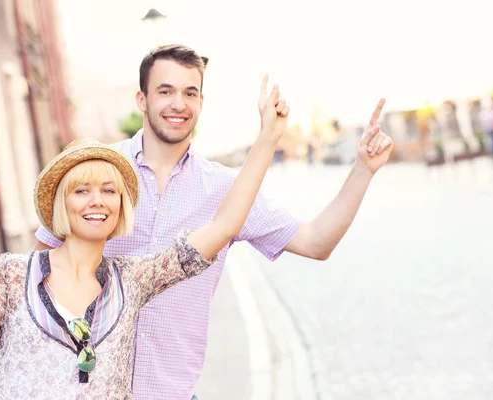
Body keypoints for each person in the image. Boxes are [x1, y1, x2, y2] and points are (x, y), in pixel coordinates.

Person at [35, 44, 393, 400]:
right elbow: (39, 273)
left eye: (190, 93)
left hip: (171, 393)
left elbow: (316, 241)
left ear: (201, 103)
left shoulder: (227, 191)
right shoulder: (98, 171)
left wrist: (363, 170)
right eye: (165, 91)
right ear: (142, 100)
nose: (179, 104)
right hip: (83, 391)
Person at [0, 77, 290, 399]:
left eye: (109, 191)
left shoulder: (133, 280)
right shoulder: (13, 275)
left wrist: (267, 140)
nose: (97, 201)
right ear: (62, 203)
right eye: (81, 191)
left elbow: (224, 226)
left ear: (121, 207)